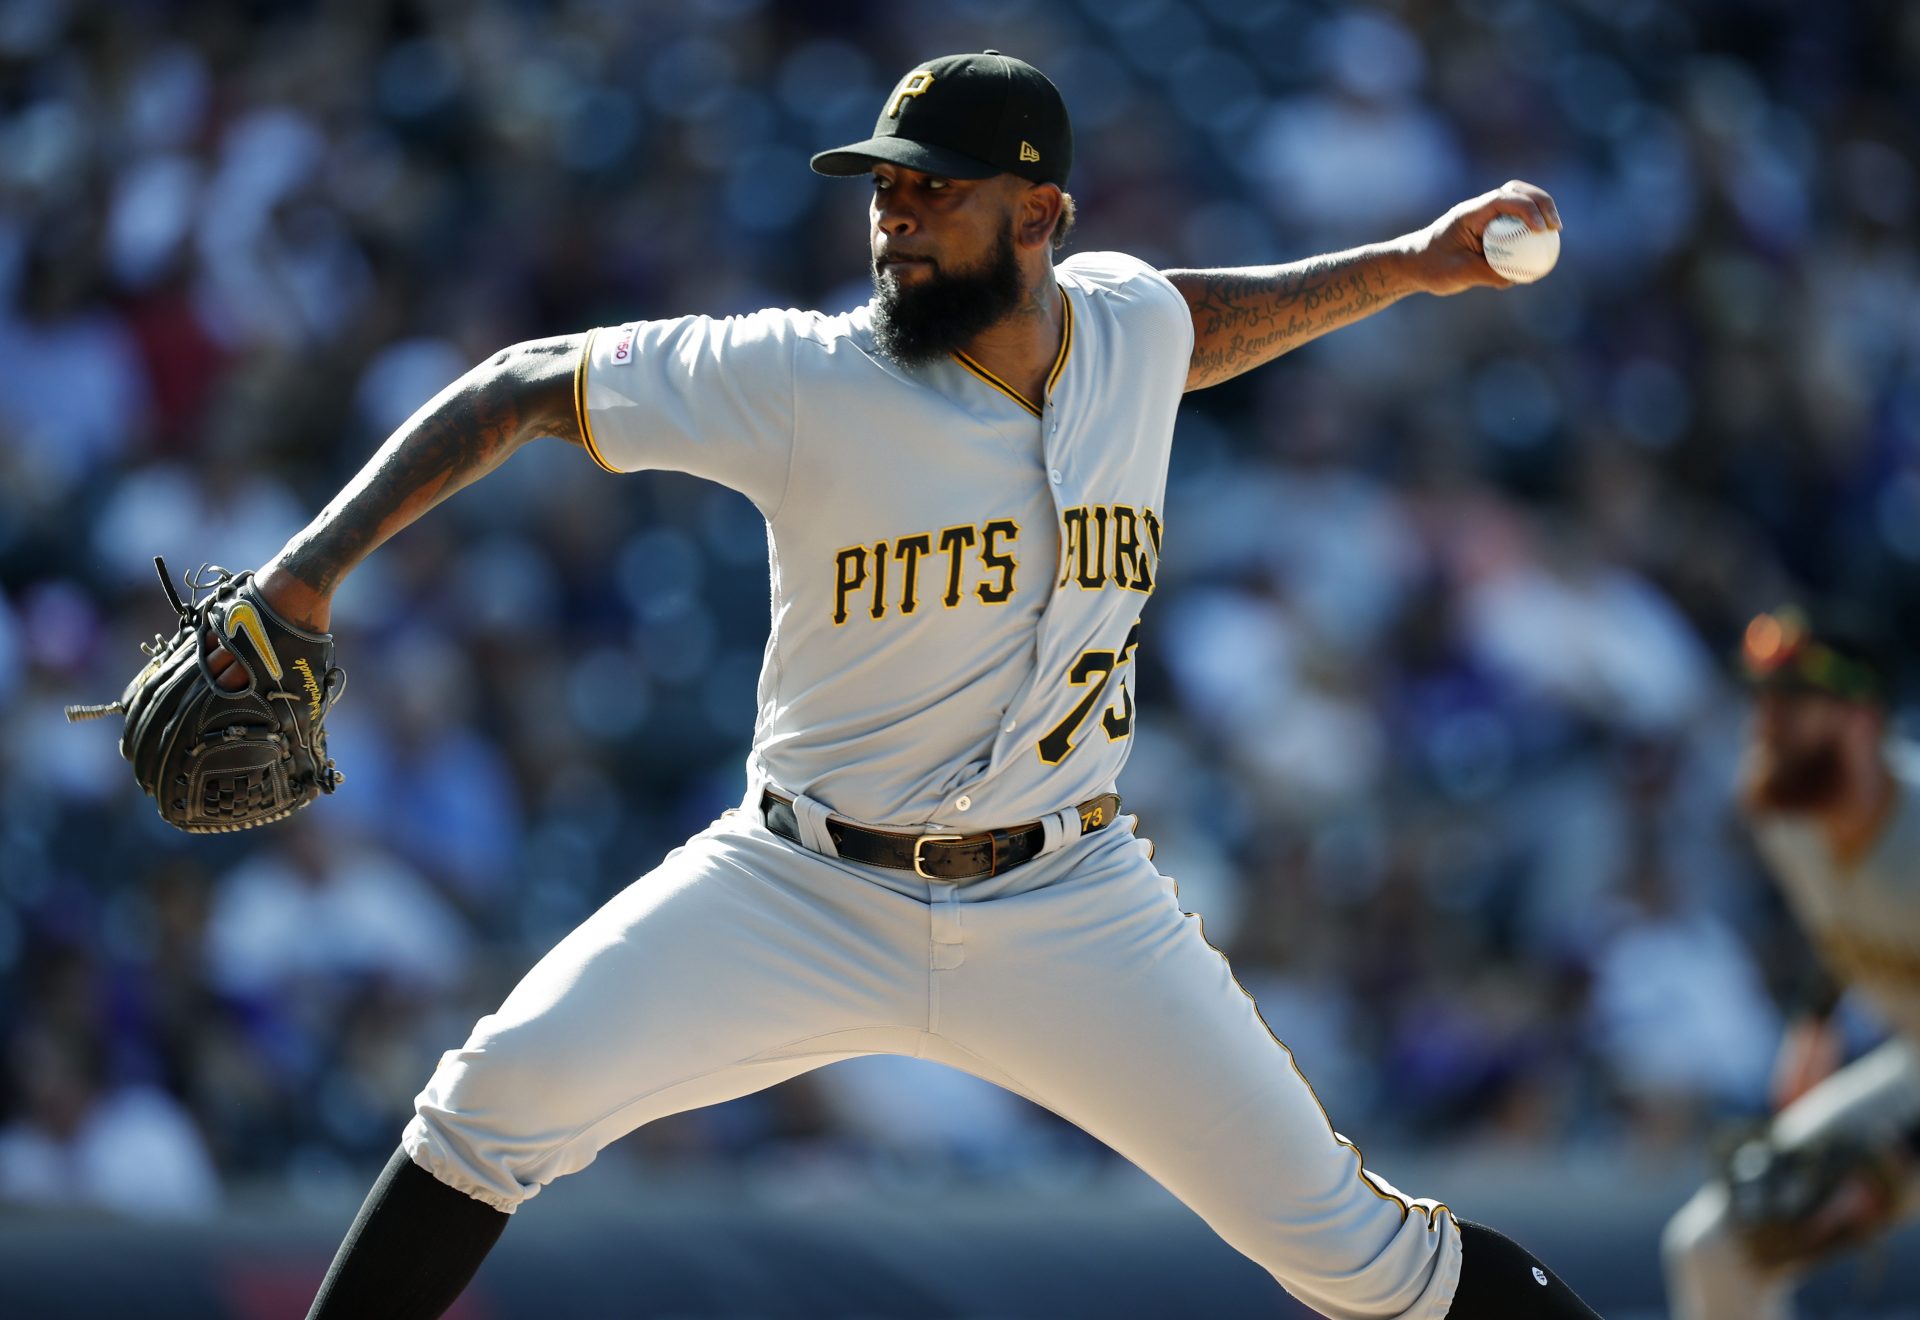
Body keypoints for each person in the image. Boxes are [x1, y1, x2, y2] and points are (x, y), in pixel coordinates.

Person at [209, 50, 1594, 1320]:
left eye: (935, 189)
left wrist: (1411, 266)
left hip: (1071, 903)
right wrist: (304, 576)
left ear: (1041, 213)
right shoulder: (806, 373)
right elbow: (518, 385)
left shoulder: (1125, 331)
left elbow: (1204, 324)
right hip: (799, 883)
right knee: (488, 1106)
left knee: (1364, 1258)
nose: (896, 217)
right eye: (884, 187)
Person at [1664, 605, 1920, 1319]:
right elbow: (1850, 924)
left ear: (1861, 722)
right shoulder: (1786, 814)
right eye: (1763, 699)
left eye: (1793, 703)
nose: (1765, 722)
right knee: (1713, 1246)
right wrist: (1814, 1021)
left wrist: (1895, 1160)